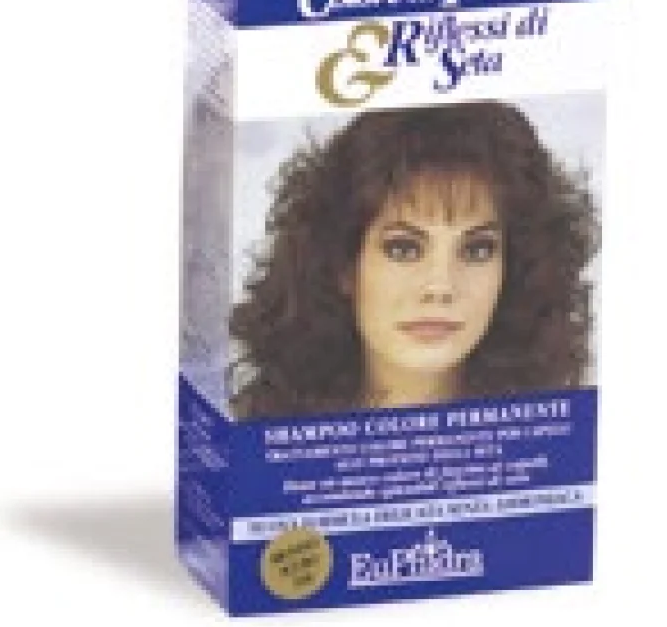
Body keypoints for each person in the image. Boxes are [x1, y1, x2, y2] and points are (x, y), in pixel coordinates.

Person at [230, 100, 598, 418]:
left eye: (477, 250)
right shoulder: (267, 441)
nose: (440, 287)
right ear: (343, 265)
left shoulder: (551, 440)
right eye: (404, 249)